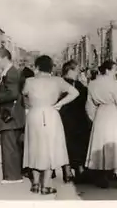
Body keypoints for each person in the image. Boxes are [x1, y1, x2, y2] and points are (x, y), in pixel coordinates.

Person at [23, 55, 79, 195]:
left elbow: (24, 95)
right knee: (50, 148)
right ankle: (46, 185)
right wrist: (59, 103)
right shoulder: (57, 81)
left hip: (34, 114)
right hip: (51, 113)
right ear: (51, 67)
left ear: (37, 67)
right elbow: (75, 92)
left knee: (34, 147)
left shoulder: (29, 81)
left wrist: (32, 103)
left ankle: (35, 183)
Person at [85, 60, 117, 189]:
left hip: (100, 116)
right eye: (114, 70)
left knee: (101, 145)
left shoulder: (92, 84)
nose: (116, 72)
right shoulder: (115, 84)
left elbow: (89, 106)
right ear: (107, 70)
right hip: (114, 115)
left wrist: (93, 119)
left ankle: (103, 178)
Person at [0, 47, 27, 184]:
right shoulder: (12, 72)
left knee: (9, 146)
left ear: (5, 58)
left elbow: (12, 93)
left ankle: (12, 176)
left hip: (9, 116)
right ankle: (15, 174)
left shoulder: (11, 73)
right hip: (13, 115)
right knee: (13, 146)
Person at [58, 60, 93, 184]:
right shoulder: (77, 85)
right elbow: (85, 99)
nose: (78, 72)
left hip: (65, 117)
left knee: (66, 144)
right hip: (78, 118)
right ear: (70, 70)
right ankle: (79, 170)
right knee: (79, 143)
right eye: (77, 70)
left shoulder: (61, 83)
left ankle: (67, 171)